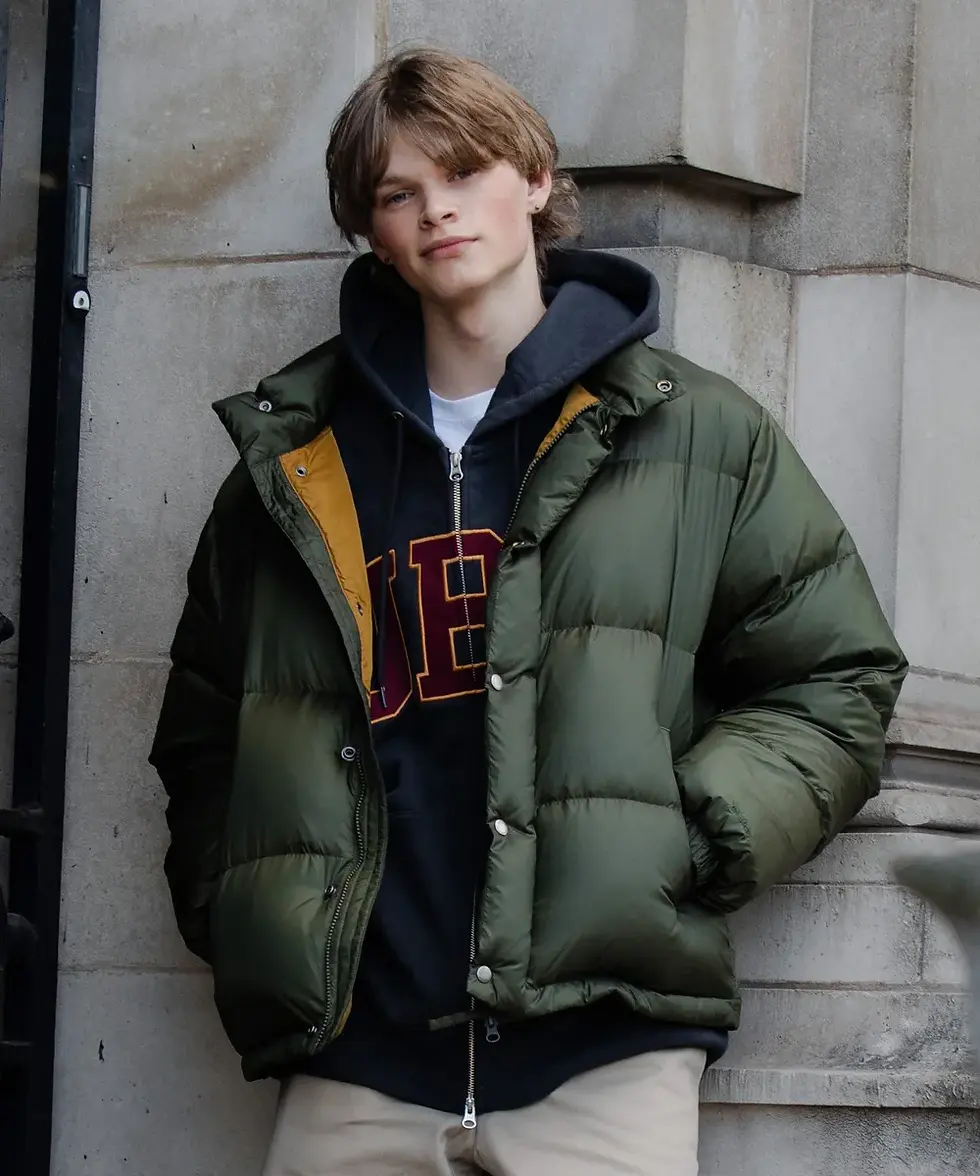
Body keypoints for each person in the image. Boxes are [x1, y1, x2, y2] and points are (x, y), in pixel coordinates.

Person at [150, 47, 907, 1176]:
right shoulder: (295, 465)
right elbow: (206, 732)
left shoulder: (696, 433)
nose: (436, 210)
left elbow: (837, 676)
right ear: (371, 233)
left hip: (601, 1055)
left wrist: (687, 836)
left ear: (537, 179)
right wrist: (248, 905)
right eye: (398, 192)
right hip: (356, 1059)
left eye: (463, 171)